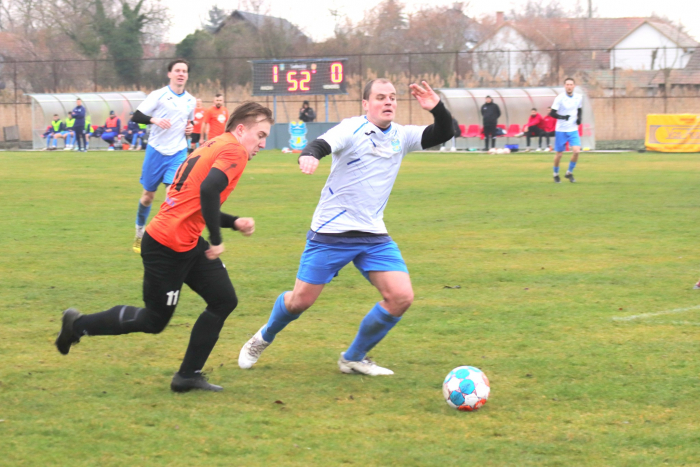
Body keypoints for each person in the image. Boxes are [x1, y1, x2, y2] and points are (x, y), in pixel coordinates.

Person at [238, 79, 454, 376]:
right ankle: (263, 337)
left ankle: (353, 357)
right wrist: (309, 155)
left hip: (373, 236)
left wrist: (436, 108)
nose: (388, 102)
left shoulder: (401, 135)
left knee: (401, 297)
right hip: (331, 234)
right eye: (380, 97)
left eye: (392, 97)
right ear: (366, 104)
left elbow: (444, 132)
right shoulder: (351, 128)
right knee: (299, 302)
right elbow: (322, 144)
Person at [54, 102, 274, 392]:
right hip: (167, 245)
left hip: (187, 240)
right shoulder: (234, 151)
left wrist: (233, 223)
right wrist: (218, 241)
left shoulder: (214, 143)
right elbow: (208, 191)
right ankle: (78, 325)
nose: (263, 142)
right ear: (241, 129)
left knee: (223, 300)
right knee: (154, 320)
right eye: (260, 135)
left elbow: (195, 201)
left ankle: (188, 375)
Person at [129, 59, 196, 254]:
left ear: (187, 75)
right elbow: (137, 116)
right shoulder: (158, 96)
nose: (181, 74)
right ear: (170, 74)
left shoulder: (191, 100)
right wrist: (154, 119)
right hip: (156, 151)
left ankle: (166, 240)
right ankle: (139, 232)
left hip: (178, 152)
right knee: (148, 197)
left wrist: (189, 129)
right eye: (177, 70)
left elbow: (188, 125)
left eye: (184, 71)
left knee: (171, 197)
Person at [550, 77, 583, 183]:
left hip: (573, 129)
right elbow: (552, 113)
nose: (569, 86)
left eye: (571, 84)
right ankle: (555, 174)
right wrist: (563, 117)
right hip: (561, 130)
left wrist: (579, 119)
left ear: (574, 86)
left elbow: (579, 109)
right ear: (565, 86)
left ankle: (569, 173)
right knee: (559, 154)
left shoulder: (578, 97)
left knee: (577, 151)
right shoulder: (559, 98)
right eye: (567, 84)